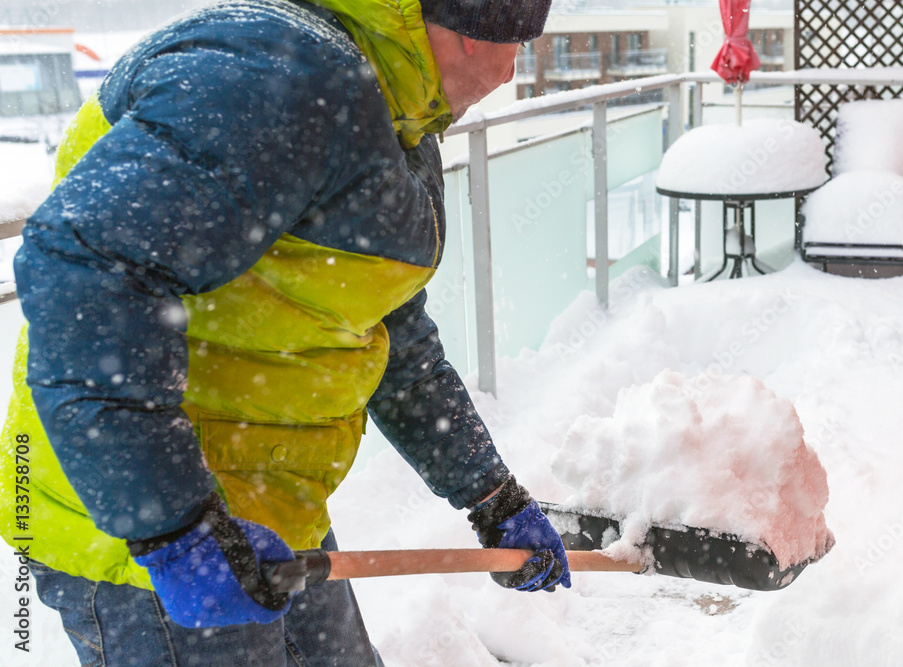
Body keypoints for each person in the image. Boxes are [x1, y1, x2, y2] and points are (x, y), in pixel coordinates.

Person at [0, 0, 569, 664]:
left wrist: (491, 492)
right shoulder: (276, 77)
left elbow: (389, 336)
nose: (510, 73)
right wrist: (175, 528)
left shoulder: (396, 123)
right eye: (520, 48)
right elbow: (87, 267)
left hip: (267, 511)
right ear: (476, 35)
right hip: (145, 540)